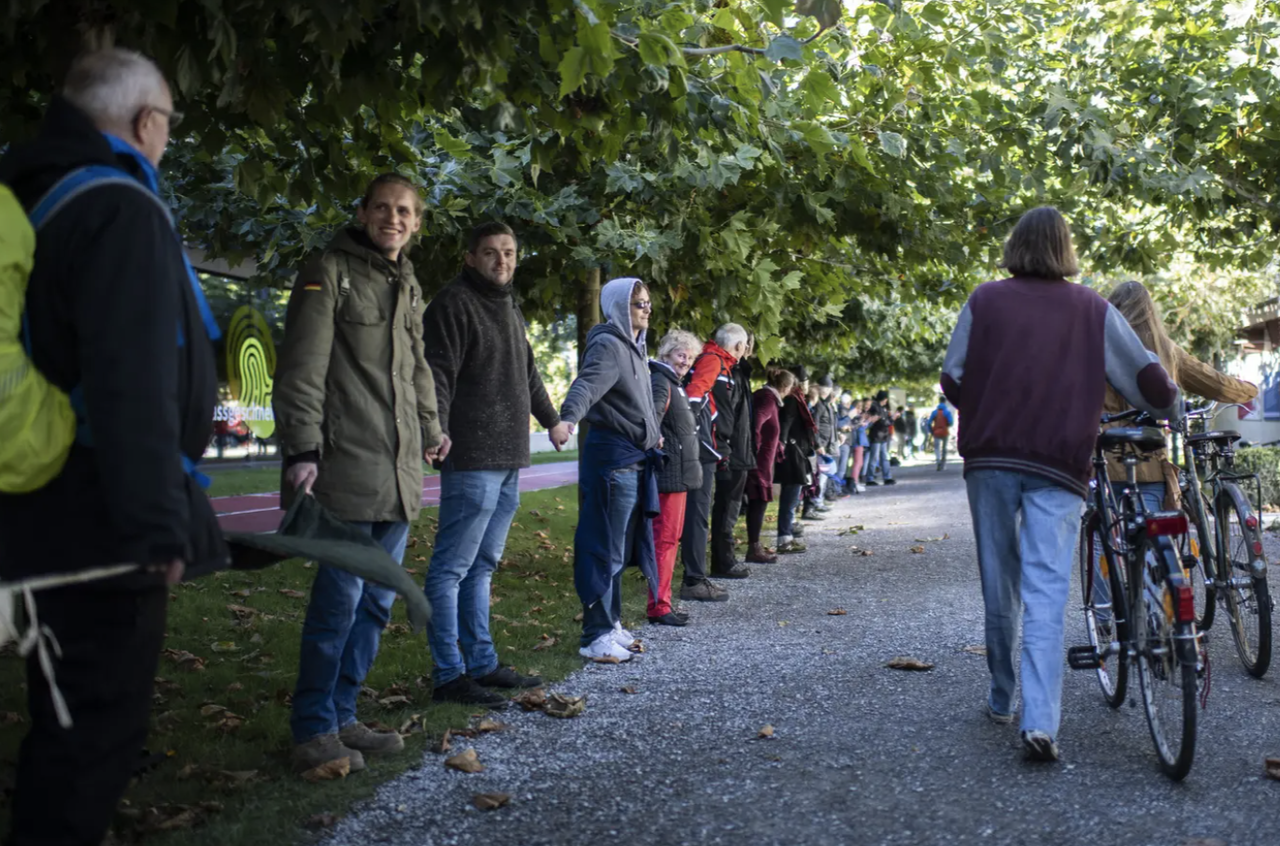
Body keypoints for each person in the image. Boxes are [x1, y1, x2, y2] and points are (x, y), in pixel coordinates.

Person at [0, 49, 227, 846]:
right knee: (94, 734)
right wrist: (157, 525)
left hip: (34, 499)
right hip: (100, 517)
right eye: (168, 124)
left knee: (58, 718)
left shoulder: (26, 191)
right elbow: (131, 379)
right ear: (145, 122)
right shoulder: (118, 207)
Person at [940, 205, 1179, 763]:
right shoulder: (1091, 308)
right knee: (1049, 588)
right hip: (1059, 461)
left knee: (1000, 581)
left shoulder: (984, 299)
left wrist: (986, 404)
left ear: (1015, 245)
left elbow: (952, 377)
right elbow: (1147, 379)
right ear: (1066, 248)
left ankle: (1001, 696)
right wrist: (1165, 403)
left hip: (991, 459)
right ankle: (1040, 721)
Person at [275, 173, 448, 772]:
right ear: (364, 211)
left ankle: (344, 715)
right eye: (382, 207)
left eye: (404, 211)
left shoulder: (408, 280)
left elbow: (418, 367)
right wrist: (301, 450)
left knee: (375, 603)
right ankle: (313, 728)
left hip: (399, 472)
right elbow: (302, 366)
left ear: (417, 223)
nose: (392, 218)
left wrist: (432, 428)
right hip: (346, 464)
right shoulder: (330, 269)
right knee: (338, 602)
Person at [420, 221, 572, 706]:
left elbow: (526, 371)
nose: (501, 261)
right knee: (452, 568)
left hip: (508, 456)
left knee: (483, 565)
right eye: (490, 253)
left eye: (508, 252)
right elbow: (436, 373)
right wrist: (435, 428)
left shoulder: (508, 305)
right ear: (470, 258)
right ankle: (449, 673)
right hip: (469, 456)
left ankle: (481, 664)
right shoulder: (453, 303)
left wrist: (550, 420)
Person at [559, 278, 662, 661]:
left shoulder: (634, 348)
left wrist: (653, 435)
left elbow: (638, 405)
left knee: (617, 549)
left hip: (632, 459)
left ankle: (611, 622)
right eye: (638, 303)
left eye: (648, 303)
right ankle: (594, 635)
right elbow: (586, 386)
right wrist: (568, 418)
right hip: (613, 464)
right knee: (604, 548)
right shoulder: (608, 345)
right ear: (619, 305)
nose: (646, 309)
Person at [1101, 280, 1257, 512]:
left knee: (1105, 535)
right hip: (1150, 462)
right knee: (1153, 532)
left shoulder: (1094, 346)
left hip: (1105, 460)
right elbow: (1216, 383)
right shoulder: (1167, 350)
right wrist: (1249, 390)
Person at [682, 323, 752, 598]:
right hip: (702, 450)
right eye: (745, 345)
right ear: (737, 346)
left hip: (709, 449)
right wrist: (695, 439)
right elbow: (695, 396)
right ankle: (694, 580)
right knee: (697, 515)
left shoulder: (720, 362)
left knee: (700, 514)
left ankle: (695, 576)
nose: (746, 350)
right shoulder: (712, 361)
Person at [647, 329, 703, 626]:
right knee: (665, 541)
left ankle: (662, 602)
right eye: (682, 354)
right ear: (667, 352)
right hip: (669, 475)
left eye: (691, 356)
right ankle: (659, 607)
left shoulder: (673, 382)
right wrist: (655, 439)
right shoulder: (661, 381)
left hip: (679, 475)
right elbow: (652, 419)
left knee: (669, 540)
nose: (686, 361)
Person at [746, 367, 796, 563]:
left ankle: (754, 545)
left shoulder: (770, 398)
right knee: (758, 501)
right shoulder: (767, 399)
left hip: (764, 460)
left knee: (759, 502)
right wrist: (755, 448)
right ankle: (754, 547)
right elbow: (757, 423)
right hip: (759, 462)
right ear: (784, 386)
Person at [775, 366, 816, 553]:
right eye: (806, 381)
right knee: (790, 497)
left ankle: (787, 533)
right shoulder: (793, 400)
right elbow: (786, 422)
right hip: (793, 454)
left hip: (796, 451)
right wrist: (782, 443)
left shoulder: (797, 399)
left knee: (791, 496)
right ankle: (784, 538)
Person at [862, 390, 895, 486]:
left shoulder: (882, 408)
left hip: (882, 436)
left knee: (883, 457)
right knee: (875, 457)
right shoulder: (876, 407)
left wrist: (890, 420)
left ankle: (886, 477)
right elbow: (883, 421)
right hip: (877, 436)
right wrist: (890, 420)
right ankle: (871, 478)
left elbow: (885, 421)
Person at [927, 398, 954, 471]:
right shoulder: (947, 412)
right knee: (944, 448)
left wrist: (931, 431)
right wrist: (947, 426)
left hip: (936, 432)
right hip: (945, 431)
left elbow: (929, 423)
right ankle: (943, 462)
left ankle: (938, 460)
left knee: (937, 448)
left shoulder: (934, 412)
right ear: (945, 402)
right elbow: (951, 422)